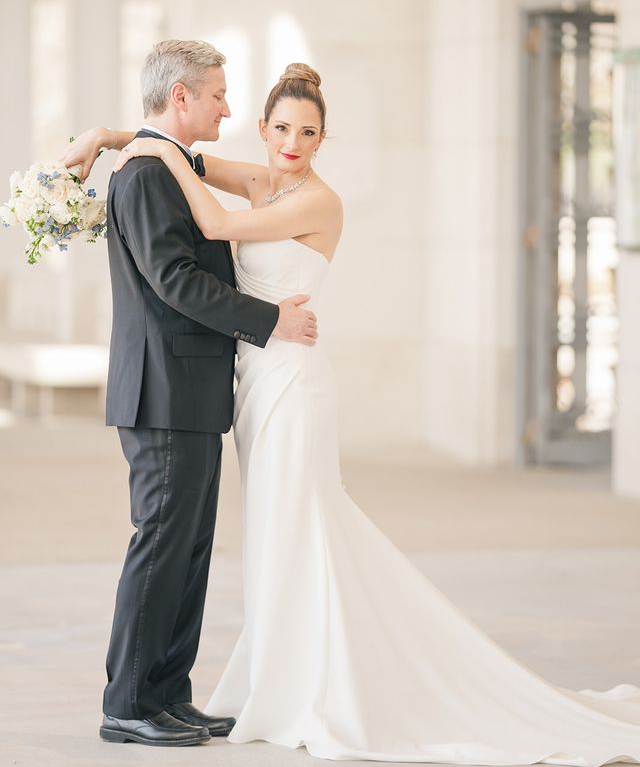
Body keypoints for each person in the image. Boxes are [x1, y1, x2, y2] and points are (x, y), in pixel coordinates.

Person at [64, 61, 640, 764]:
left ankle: (285, 684)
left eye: (307, 132)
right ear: (265, 130)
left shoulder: (318, 201)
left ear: (323, 137)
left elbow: (210, 217)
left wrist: (151, 147)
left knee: (293, 525)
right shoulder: (258, 177)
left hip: (291, 377)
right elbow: (198, 167)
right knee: (254, 535)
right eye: (279, 128)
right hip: (247, 380)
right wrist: (121, 136)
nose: (291, 142)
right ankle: (210, 689)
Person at [61, 40, 318, 748]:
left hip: (192, 388)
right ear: (181, 96)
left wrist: (109, 131)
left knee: (190, 548)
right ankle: (127, 702)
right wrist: (271, 321)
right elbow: (176, 280)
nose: (228, 107)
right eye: (217, 95)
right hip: (163, 392)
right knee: (162, 545)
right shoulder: (145, 176)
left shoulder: (162, 162)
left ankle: (168, 694)